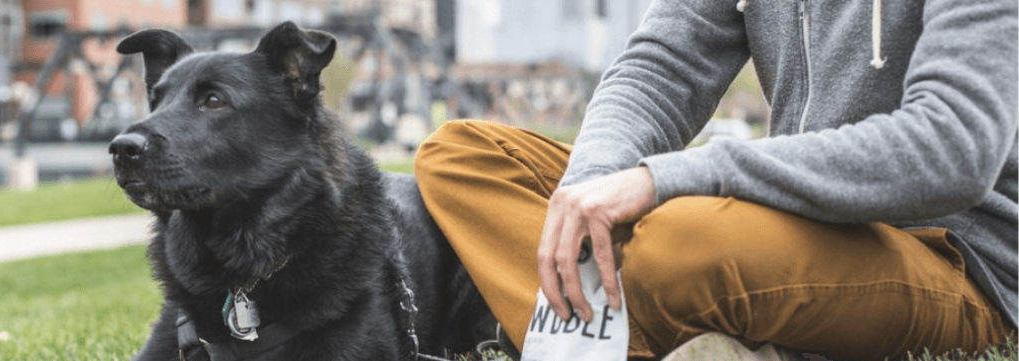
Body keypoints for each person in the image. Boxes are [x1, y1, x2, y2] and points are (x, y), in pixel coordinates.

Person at [414, 0, 1019, 360]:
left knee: (676, 240)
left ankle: (568, 326)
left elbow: (953, 146)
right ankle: (615, 328)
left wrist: (667, 178)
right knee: (463, 157)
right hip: (792, 221)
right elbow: (660, 69)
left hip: (949, 256)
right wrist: (593, 185)